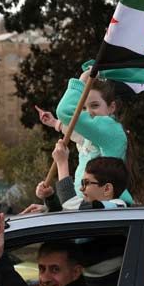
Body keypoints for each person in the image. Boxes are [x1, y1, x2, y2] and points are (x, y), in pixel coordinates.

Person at [36, 69, 134, 205]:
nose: (88, 113)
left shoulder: (111, 129)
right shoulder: (94, 138)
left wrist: (82, 79)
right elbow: (77, 134)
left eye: (94, 105)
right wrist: (51, 199)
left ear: (112, 107)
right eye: (82, 109)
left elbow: (65, 111)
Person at [24, 142, 129, 213]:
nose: (81, 188)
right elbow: (67, 215)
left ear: (107, 189)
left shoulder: (116, 208)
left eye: (86, 183)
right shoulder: (99, 211)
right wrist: (50, 197)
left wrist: (62, 163)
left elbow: (71, 206)